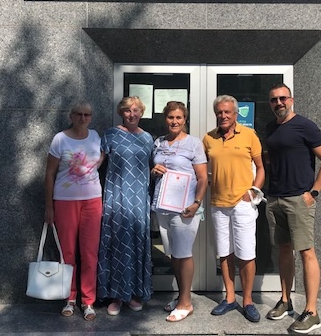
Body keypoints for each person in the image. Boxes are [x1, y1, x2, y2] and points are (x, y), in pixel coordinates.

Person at [264, 83, 321, 334]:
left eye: (283, 98)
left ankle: (312, 312)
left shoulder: (305, 125)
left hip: (298, 198)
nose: (279, 103)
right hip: (275, 198)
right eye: (274, 100)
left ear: (291, 99)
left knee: (306, 252)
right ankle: (285, 301)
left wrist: (313, 192)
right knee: (284, 249)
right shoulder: (271, 127)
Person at [202, 95, 265, 323]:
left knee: (246, 254)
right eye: (219, 112)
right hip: (218, 203)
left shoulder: (249, 135)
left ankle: (247, 301)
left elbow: (260, 167)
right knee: (225, 253)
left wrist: (253, 192)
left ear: (236, 114)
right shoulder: (208, 138)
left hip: (242, 203)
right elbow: (201, 168)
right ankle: (229, 298)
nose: (223, 116)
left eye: (227, 112)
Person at [43, 101, 104, 321]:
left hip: (92, 201)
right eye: (78, 114)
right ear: (71, 116)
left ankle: (88, 301)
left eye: (87, 114)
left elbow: (101, 156)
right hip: (65, 201)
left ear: (91, 117)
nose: (82, 118)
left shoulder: (95, 136)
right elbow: (49, 174)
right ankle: (69, 298)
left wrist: (94, 166)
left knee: (89, 253)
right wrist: (49, 206)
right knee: (67, 253)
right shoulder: (60, 139)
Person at [150, 101, 208, 322]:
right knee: (173, 254)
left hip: (185, 208)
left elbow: (202, 178)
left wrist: (197, 203)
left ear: (185, 120)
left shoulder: (194, 144)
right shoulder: (158, 142)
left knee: (183, 253)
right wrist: (154, 171)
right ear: (165, 119)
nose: (174, 121)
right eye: (170, 117)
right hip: (163, 206)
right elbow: (155, 170)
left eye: (179, 118)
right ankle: (181, 296)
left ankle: (186, 302)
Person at [97, 96, 154, 316]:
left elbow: (151, 167)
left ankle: (134, 293)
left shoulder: (147, 138)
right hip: (117, 197)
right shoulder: (111, 135)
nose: (132, 114)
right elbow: (97, 163)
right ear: (121, 113)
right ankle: (116, 296)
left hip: (139, 198)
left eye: (136, 110)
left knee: (137, 243)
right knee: (118, 243)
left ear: (142, 112)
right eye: (128, 110)